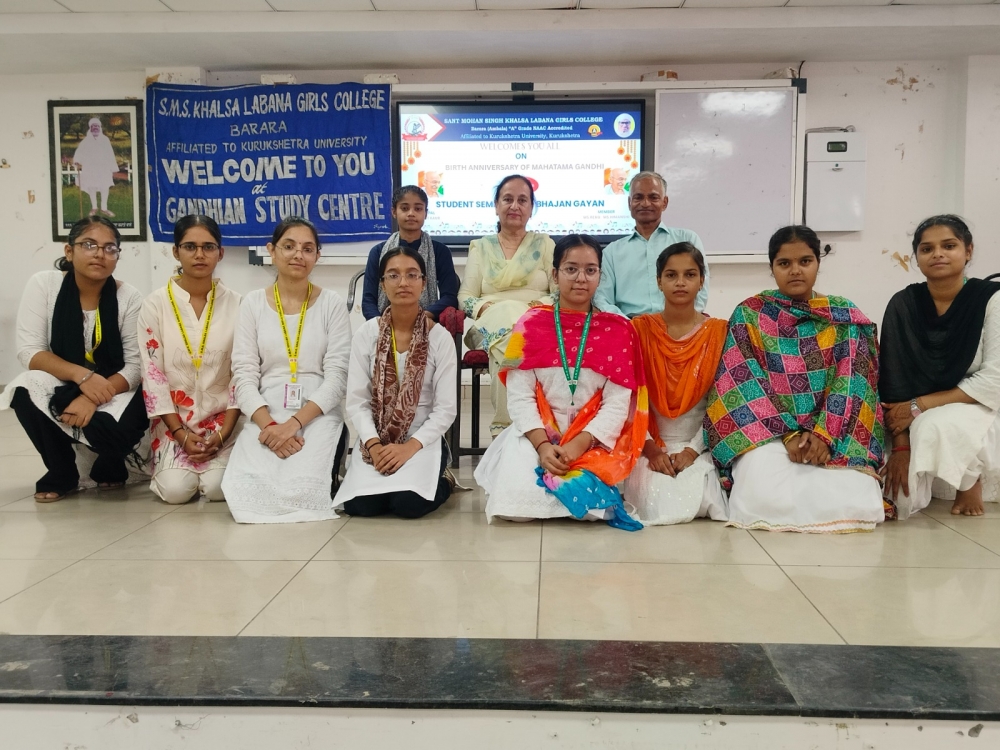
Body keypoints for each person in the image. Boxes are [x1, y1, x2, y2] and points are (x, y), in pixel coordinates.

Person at [704, 225, 885, 533]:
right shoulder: (750, 315)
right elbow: (742, 382)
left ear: (818, 263)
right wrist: (787, 435)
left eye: (805, 261)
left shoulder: (843, 317)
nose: (795, 270)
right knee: (759, 487)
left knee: (856, 495)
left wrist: (824, 436)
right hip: (768, 432)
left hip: (833, 431)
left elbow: (854, 382)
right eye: (784, 263)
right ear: (772, 268)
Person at [476, 233, 648, 529]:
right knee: (516, 510)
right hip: (536, 435)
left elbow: (617, 404)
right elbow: (519, 395)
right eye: (571, 269)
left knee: (592, 511)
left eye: (590, 270)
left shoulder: (618, 330)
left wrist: (578, 445)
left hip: (592, 438)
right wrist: (543, 446)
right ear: (555, 275)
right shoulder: (529, 324)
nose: (581, 278)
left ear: (600, 275)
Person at [0, 216, 147, 501]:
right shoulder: (45, 285)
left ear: (117, 256)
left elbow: (134, 366)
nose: (99, 254)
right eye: (89, 245)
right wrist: (83, 378)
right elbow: (30, 351)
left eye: (109, 248)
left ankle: (111, 462)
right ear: (69, 251)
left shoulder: (129, 297)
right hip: (65, 382)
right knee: (25, 387)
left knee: (144, 399)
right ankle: (62, 472)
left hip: (113, 387)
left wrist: (92, 396)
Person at [222, 217, 352, 523]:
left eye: (307, 249)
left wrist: (292, 424)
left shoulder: (331, 304)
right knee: (246, 493)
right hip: (265, 411)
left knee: (302, 487)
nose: (298, 255)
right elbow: (243, 375)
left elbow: (337, 377)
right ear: (272, 250)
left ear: (317, 255)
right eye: (289, 246)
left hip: (316, 412)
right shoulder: (252, 303)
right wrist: (269, 426)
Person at [881, 215, 1000, 518]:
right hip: (911, 409)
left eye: (949, 246)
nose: (938, 254)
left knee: (934, 423)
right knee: (896, 498)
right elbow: (893, 381)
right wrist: (901, 447)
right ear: (916, 257)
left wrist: (920, 405)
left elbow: (994, 380)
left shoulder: (992, 300)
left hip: (980, 404)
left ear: (968, 251)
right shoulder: (903, 304)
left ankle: (969, 479)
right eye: (927, 249)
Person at [336, 246, 458, 518]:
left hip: (420, 440)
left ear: (424, 283)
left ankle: (445, 480)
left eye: (412, 275)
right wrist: (373, 445)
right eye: (393, 275)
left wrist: (409, 447)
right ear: (382, 284)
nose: (403, 282)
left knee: (408, 505)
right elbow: (357, 402)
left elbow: (446, 409)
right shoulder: (367, 334)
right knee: (361, 507)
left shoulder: (439, 338)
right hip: (377, 439)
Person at [137, 215, 242, 505]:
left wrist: (224, 433)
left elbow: (241, 373)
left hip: (224, 423)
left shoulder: (238, 304)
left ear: (220, 253)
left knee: (219, 489)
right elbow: (153, 375)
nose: (199, 254)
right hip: (173, 425)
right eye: (190, 246)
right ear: (175, 251)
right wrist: (180, 434)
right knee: (175, 491)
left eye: (208, 247)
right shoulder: (155, 305)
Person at [625, 243, 728, 525]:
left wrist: (693, 450)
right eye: (671, 275)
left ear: (701, 281)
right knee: (654, 500)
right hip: (646, 443)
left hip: (701, 444)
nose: (680, 282)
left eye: (689, 275)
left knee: (707, 499)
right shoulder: (638, 331)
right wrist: (650, 449)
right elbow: (628, 397)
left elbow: (722, 401)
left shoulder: (719, 333)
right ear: (659, 281)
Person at [458, 174, 556, 437]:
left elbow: (558, 294)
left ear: (531, 208)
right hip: (490, 324)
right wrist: (488, 308)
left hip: (536, 323)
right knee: (508, 322)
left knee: (510, 344)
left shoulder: (545, 245)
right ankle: (530, 428)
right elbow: (465, 297)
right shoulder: (480, 248)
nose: (515, 206)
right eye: (508, 199)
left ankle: (506, 432)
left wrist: (534, 308)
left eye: (522, 200)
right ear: (496, 205)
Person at [595, 171, 710, 316]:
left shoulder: (687, 239)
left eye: (653, 197)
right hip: (629, 325)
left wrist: (682, 322)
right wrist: (627, 324)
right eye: (638, 197)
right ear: (630, 203)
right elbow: (602, 298)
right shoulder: (612, 252)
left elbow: (701, 287)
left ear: (664, 202)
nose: (645, 203)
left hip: (678, 324)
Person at [360, 185, 459, 322]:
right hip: (384, 323)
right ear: (394, 212)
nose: (411, 213)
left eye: (418, 209)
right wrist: (381, 324)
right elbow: (368, 300)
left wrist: (421, 319)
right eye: (405, 208)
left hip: (428, 321)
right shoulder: (378, 252)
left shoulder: (440, 251)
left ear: (426, 213)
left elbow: (449, 297)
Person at [73, 117, 119, 218]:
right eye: (93, 126)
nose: (95, 128)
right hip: (90, 168)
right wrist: (77, 161)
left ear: (100, 127)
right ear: (90, 128)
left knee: (104, 187)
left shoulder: (105, 140)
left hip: (103, 168)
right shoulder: (86, 141)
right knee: (92, 187)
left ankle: (104, 208)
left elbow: (110, 154)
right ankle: (94, 207)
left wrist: (112, 167)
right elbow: (79, 152)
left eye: (97, 126)